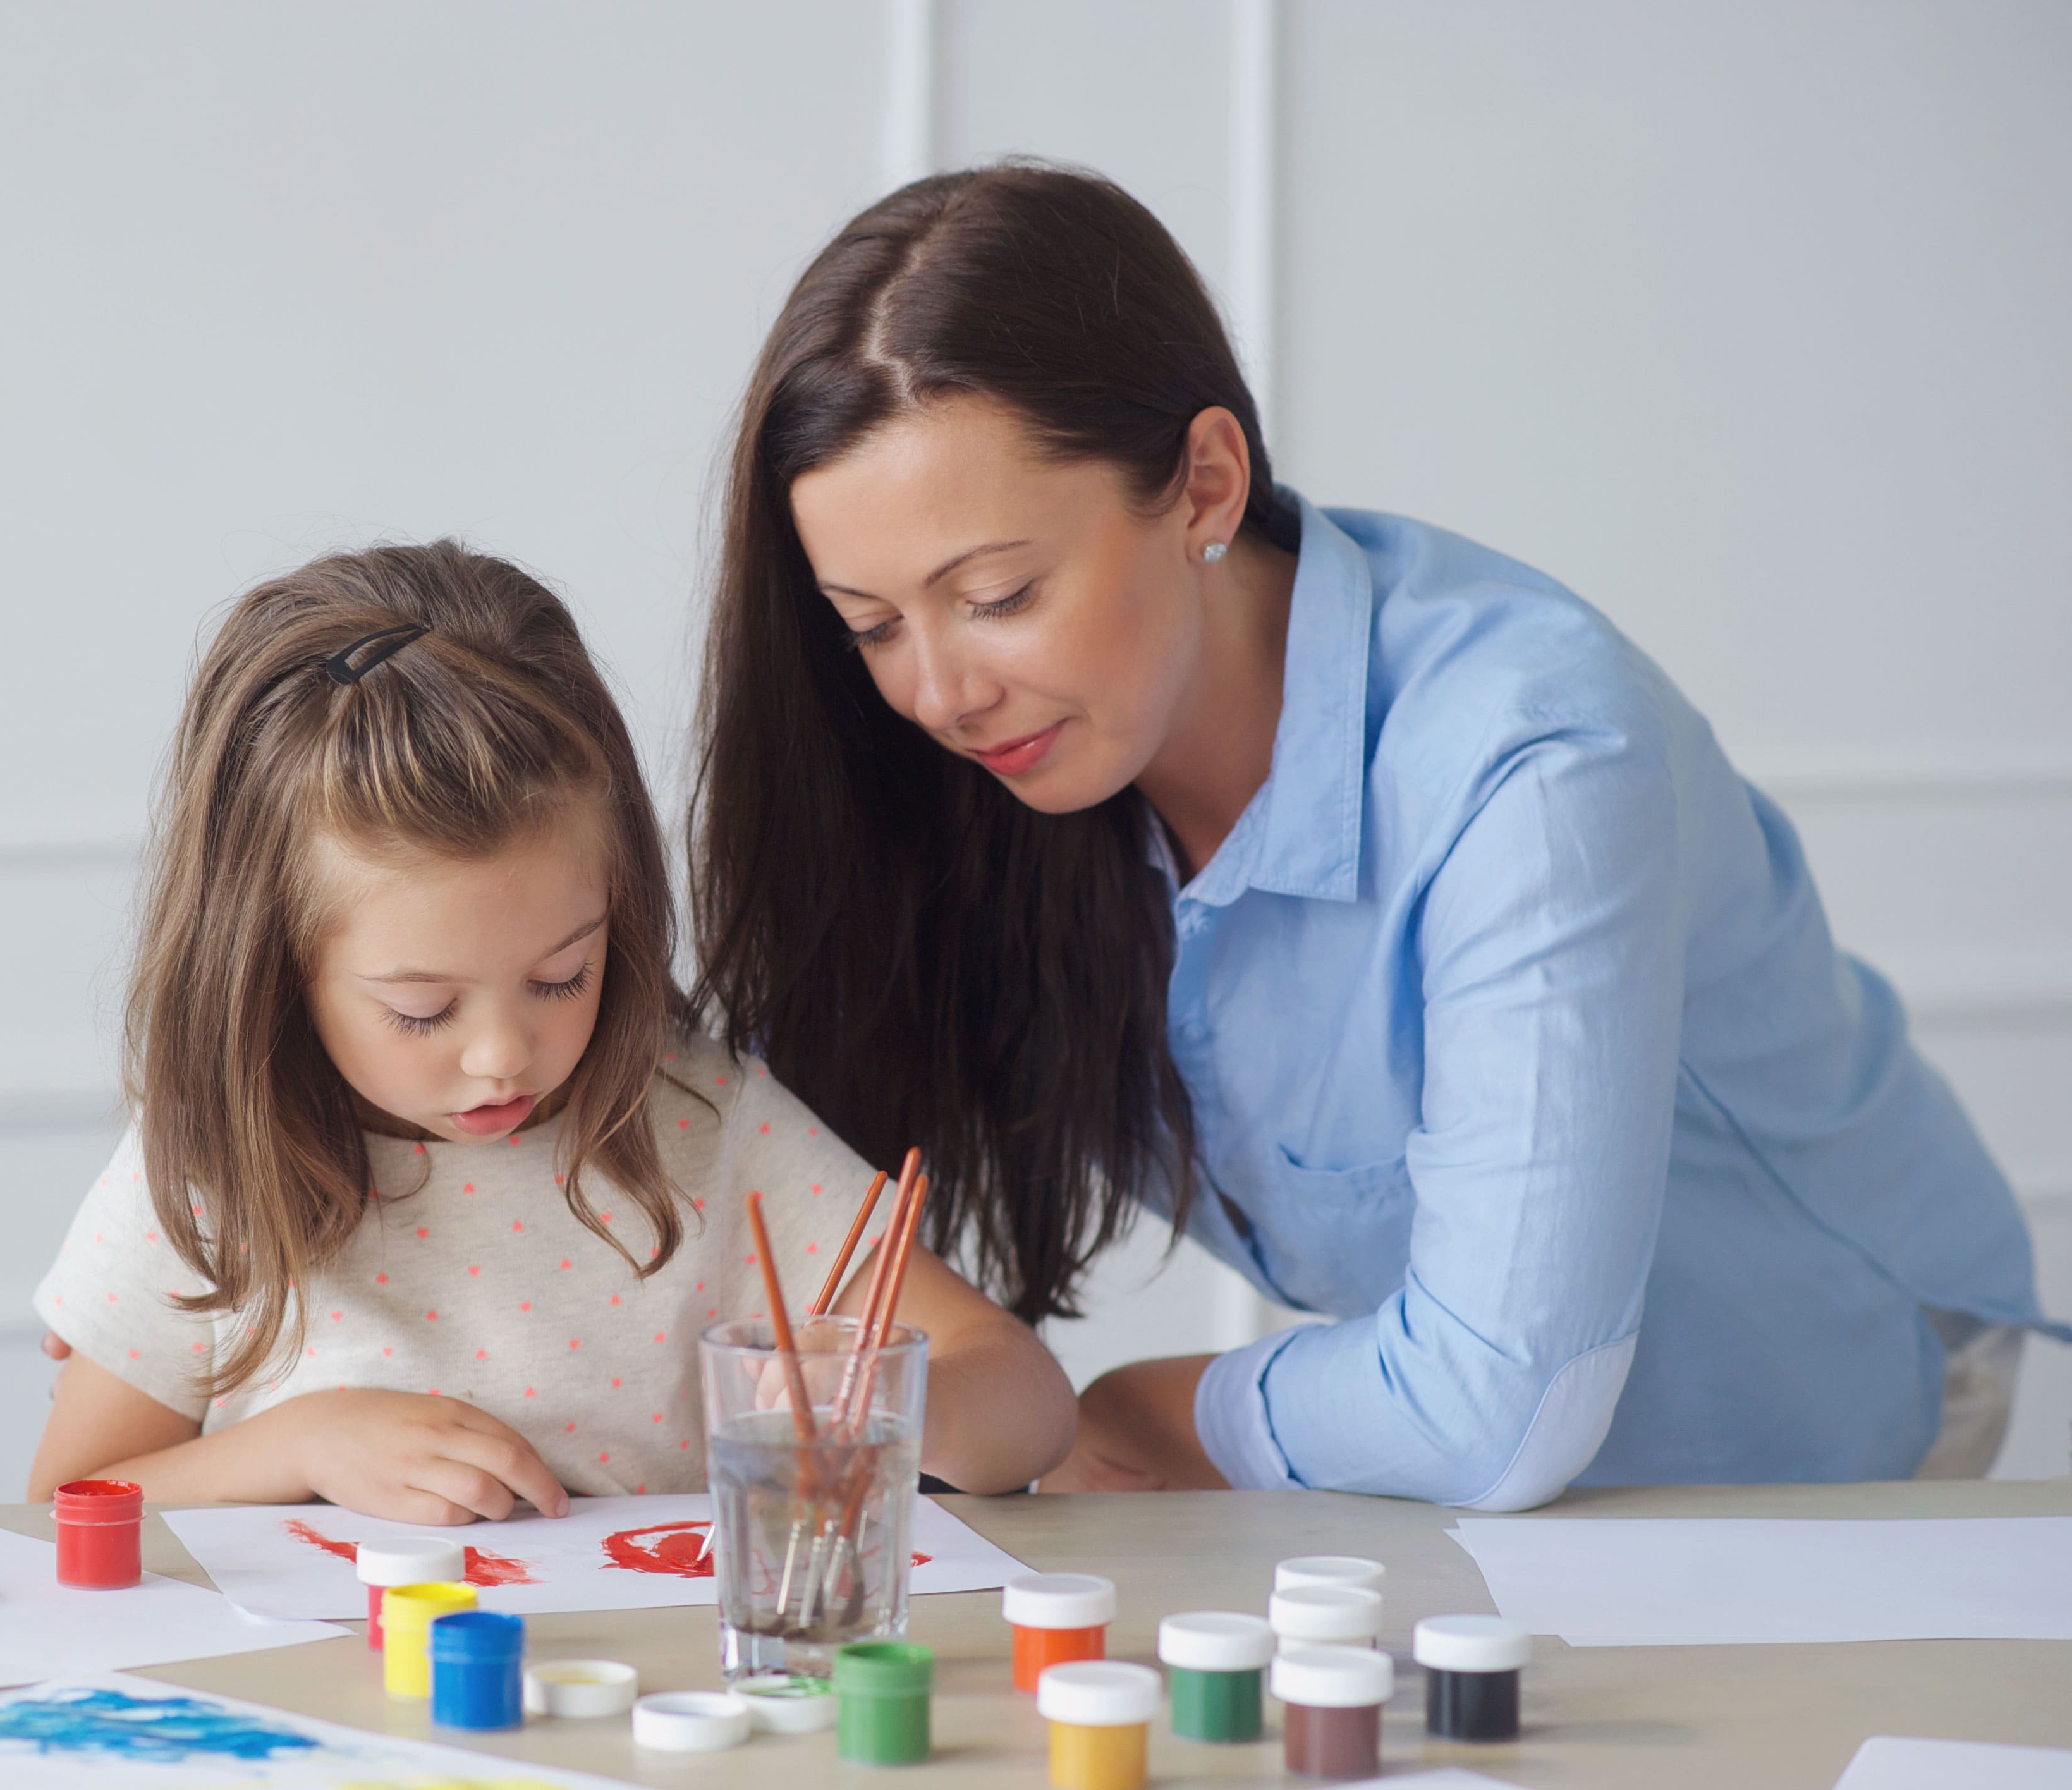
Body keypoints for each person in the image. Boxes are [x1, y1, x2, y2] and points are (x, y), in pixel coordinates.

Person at [689, 162, 2060, 1509]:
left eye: (995, 594)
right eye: (871, 624)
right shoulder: (1001, 780)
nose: (938, 693)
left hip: (1822, 1416)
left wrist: (1154, 1411)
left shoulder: (1528, 761)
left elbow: (1497, 1407)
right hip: (1497, 1489)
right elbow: (734, 1158)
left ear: (1207, 487)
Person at [27, 541, 1073, 1521]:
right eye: (423, 1009)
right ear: (273, 973)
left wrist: (900, 1402)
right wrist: (298, 1446)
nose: (501, 1055)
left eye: (563, 975)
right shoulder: (211, 1169)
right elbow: (67, 1507)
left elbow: (1026, 1396)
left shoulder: (698, 1123)